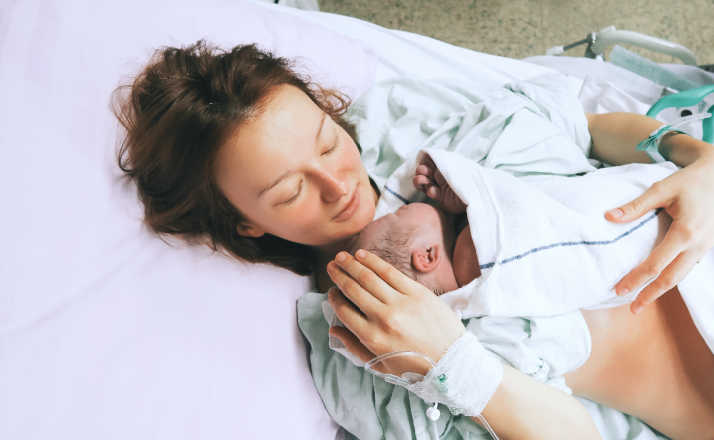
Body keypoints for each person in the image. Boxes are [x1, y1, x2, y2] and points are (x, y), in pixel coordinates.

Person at [113, 40, 714, 439]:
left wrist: (693, 160)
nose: (336, 182)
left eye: (326, 141)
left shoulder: (408, 126)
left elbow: (583, 130)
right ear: (245, 222)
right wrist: (456, 363)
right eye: (289, 190)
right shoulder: (357, 339)